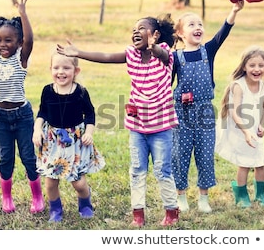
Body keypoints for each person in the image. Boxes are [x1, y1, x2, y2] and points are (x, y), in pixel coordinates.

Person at [57, 14, 180, 227]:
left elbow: (160, 53)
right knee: (137, 169)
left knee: (163, 170)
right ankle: (138, 214)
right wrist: (79, 53)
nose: (135, 31)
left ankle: (171, 211)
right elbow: (105, 55)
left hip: (161, 128)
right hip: (138, 128)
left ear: (156, 34)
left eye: (141, 28)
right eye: (133, 28)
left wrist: (154, 47)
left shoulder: (165, 55)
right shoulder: (131, 54)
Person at [171, 0, 244, 213]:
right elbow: (167, 84)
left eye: (200, 24)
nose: (198, 28)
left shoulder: (208, 51)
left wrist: (234, 10)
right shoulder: (175, 57)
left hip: (204, 111)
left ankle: (203, 198)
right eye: (191, 25)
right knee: (179, 154)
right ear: (181, 33)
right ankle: (181, 196)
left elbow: (223, 33)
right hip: (181, 113)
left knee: (204, 154)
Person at [33, 53, 106, 222]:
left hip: (75, 142)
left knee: (79, 183)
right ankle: (55, 210)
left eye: (66, 68)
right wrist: (37, 129)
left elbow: (90, 114)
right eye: (56, 68)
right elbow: (42, 112)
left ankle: (85, 204)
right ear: (50, 69)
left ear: (76, 70)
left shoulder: (80, 92)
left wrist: (89, 132)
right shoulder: (47, 90)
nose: (61, 72)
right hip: (53, 142)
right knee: (50, 182)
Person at [0, 0, 45, 214]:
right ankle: (6, 198)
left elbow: (31, 40)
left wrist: (23, 12)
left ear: (19, 43)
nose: (3, 44)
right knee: (6, 157)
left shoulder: (20, 58)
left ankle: (37, 197)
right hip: (0, 117)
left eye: (8, 40)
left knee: (28, 157)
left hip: (22, 116)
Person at [215, 46, 264, 208]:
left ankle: (260, 195)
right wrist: (246, 131)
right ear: (244, 66)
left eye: (261, 65)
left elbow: (262, 107)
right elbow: (234, 113)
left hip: (255, 131)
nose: (257, 69)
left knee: (260, 162)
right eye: (252, 65)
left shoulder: (263, 86)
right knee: (244, 163)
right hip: (240, 130)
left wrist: (261, 124)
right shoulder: (239, 86)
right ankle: (241, 195)